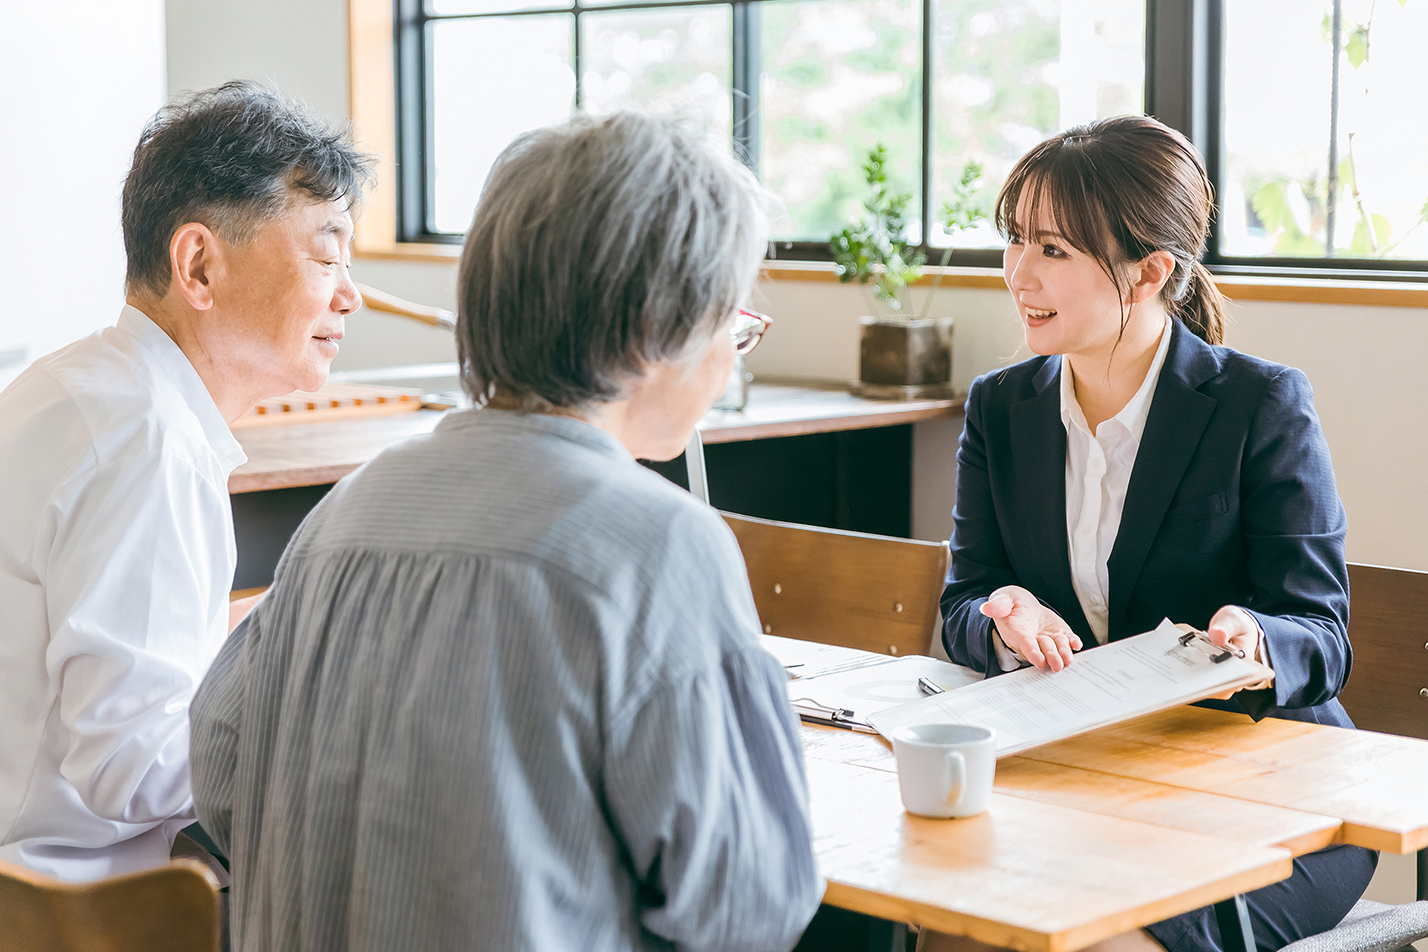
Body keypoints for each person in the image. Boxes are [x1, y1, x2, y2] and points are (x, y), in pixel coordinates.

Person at [189, 111, 823, 952]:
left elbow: (223, 776)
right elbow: (747, 903)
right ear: (657, 327)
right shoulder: (658, 543)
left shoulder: (348, 511)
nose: (730, 355)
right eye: (730, 321)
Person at [927, 116, 1374, 952]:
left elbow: (1322, 635)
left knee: (1098, 941)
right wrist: (1003, 614)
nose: (1019, 273)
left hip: (1268, 791)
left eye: (1054, 250)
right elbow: (962, 602)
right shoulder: (1001, 406)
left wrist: (1256, 640)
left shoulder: (1259, 404)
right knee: (946, 917)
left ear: (1153, 269)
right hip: (1083, 779)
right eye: (1015, 239)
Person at [0, 81, 371, 881]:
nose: (351, 294)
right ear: (198, 264)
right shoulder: (146, 444)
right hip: (75, 903)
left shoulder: (82, 387)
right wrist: (327, 714)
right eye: (326, 253)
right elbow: (132, 768)